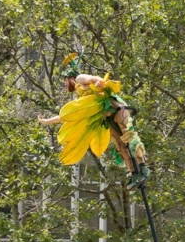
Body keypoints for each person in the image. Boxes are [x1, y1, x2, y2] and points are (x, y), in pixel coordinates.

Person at [37, 52, 148, 190]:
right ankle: (134, 173)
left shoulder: (79, 78)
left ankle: (143, 169)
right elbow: (69, 115)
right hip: (108, 118)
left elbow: (94, 78)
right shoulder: (80, 96)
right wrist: (47, 121)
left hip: (117, 109)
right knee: (121, 146)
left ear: (69, 77)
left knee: (129, 137)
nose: (65, 84)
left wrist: (98, 82)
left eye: (65, 80)